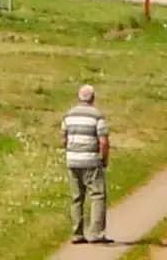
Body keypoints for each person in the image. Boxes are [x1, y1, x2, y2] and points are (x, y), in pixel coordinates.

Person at [62, 82, 110, 245]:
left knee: (76, 197)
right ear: (93, 98)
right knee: (97, 195)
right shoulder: (97, 115)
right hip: (90, 159)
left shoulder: (69, 115)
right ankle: (95, 233)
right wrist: (103, 159)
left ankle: (77, 233)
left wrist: (70, 152)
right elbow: (103, 141)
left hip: (72, 160)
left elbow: (64, 138)